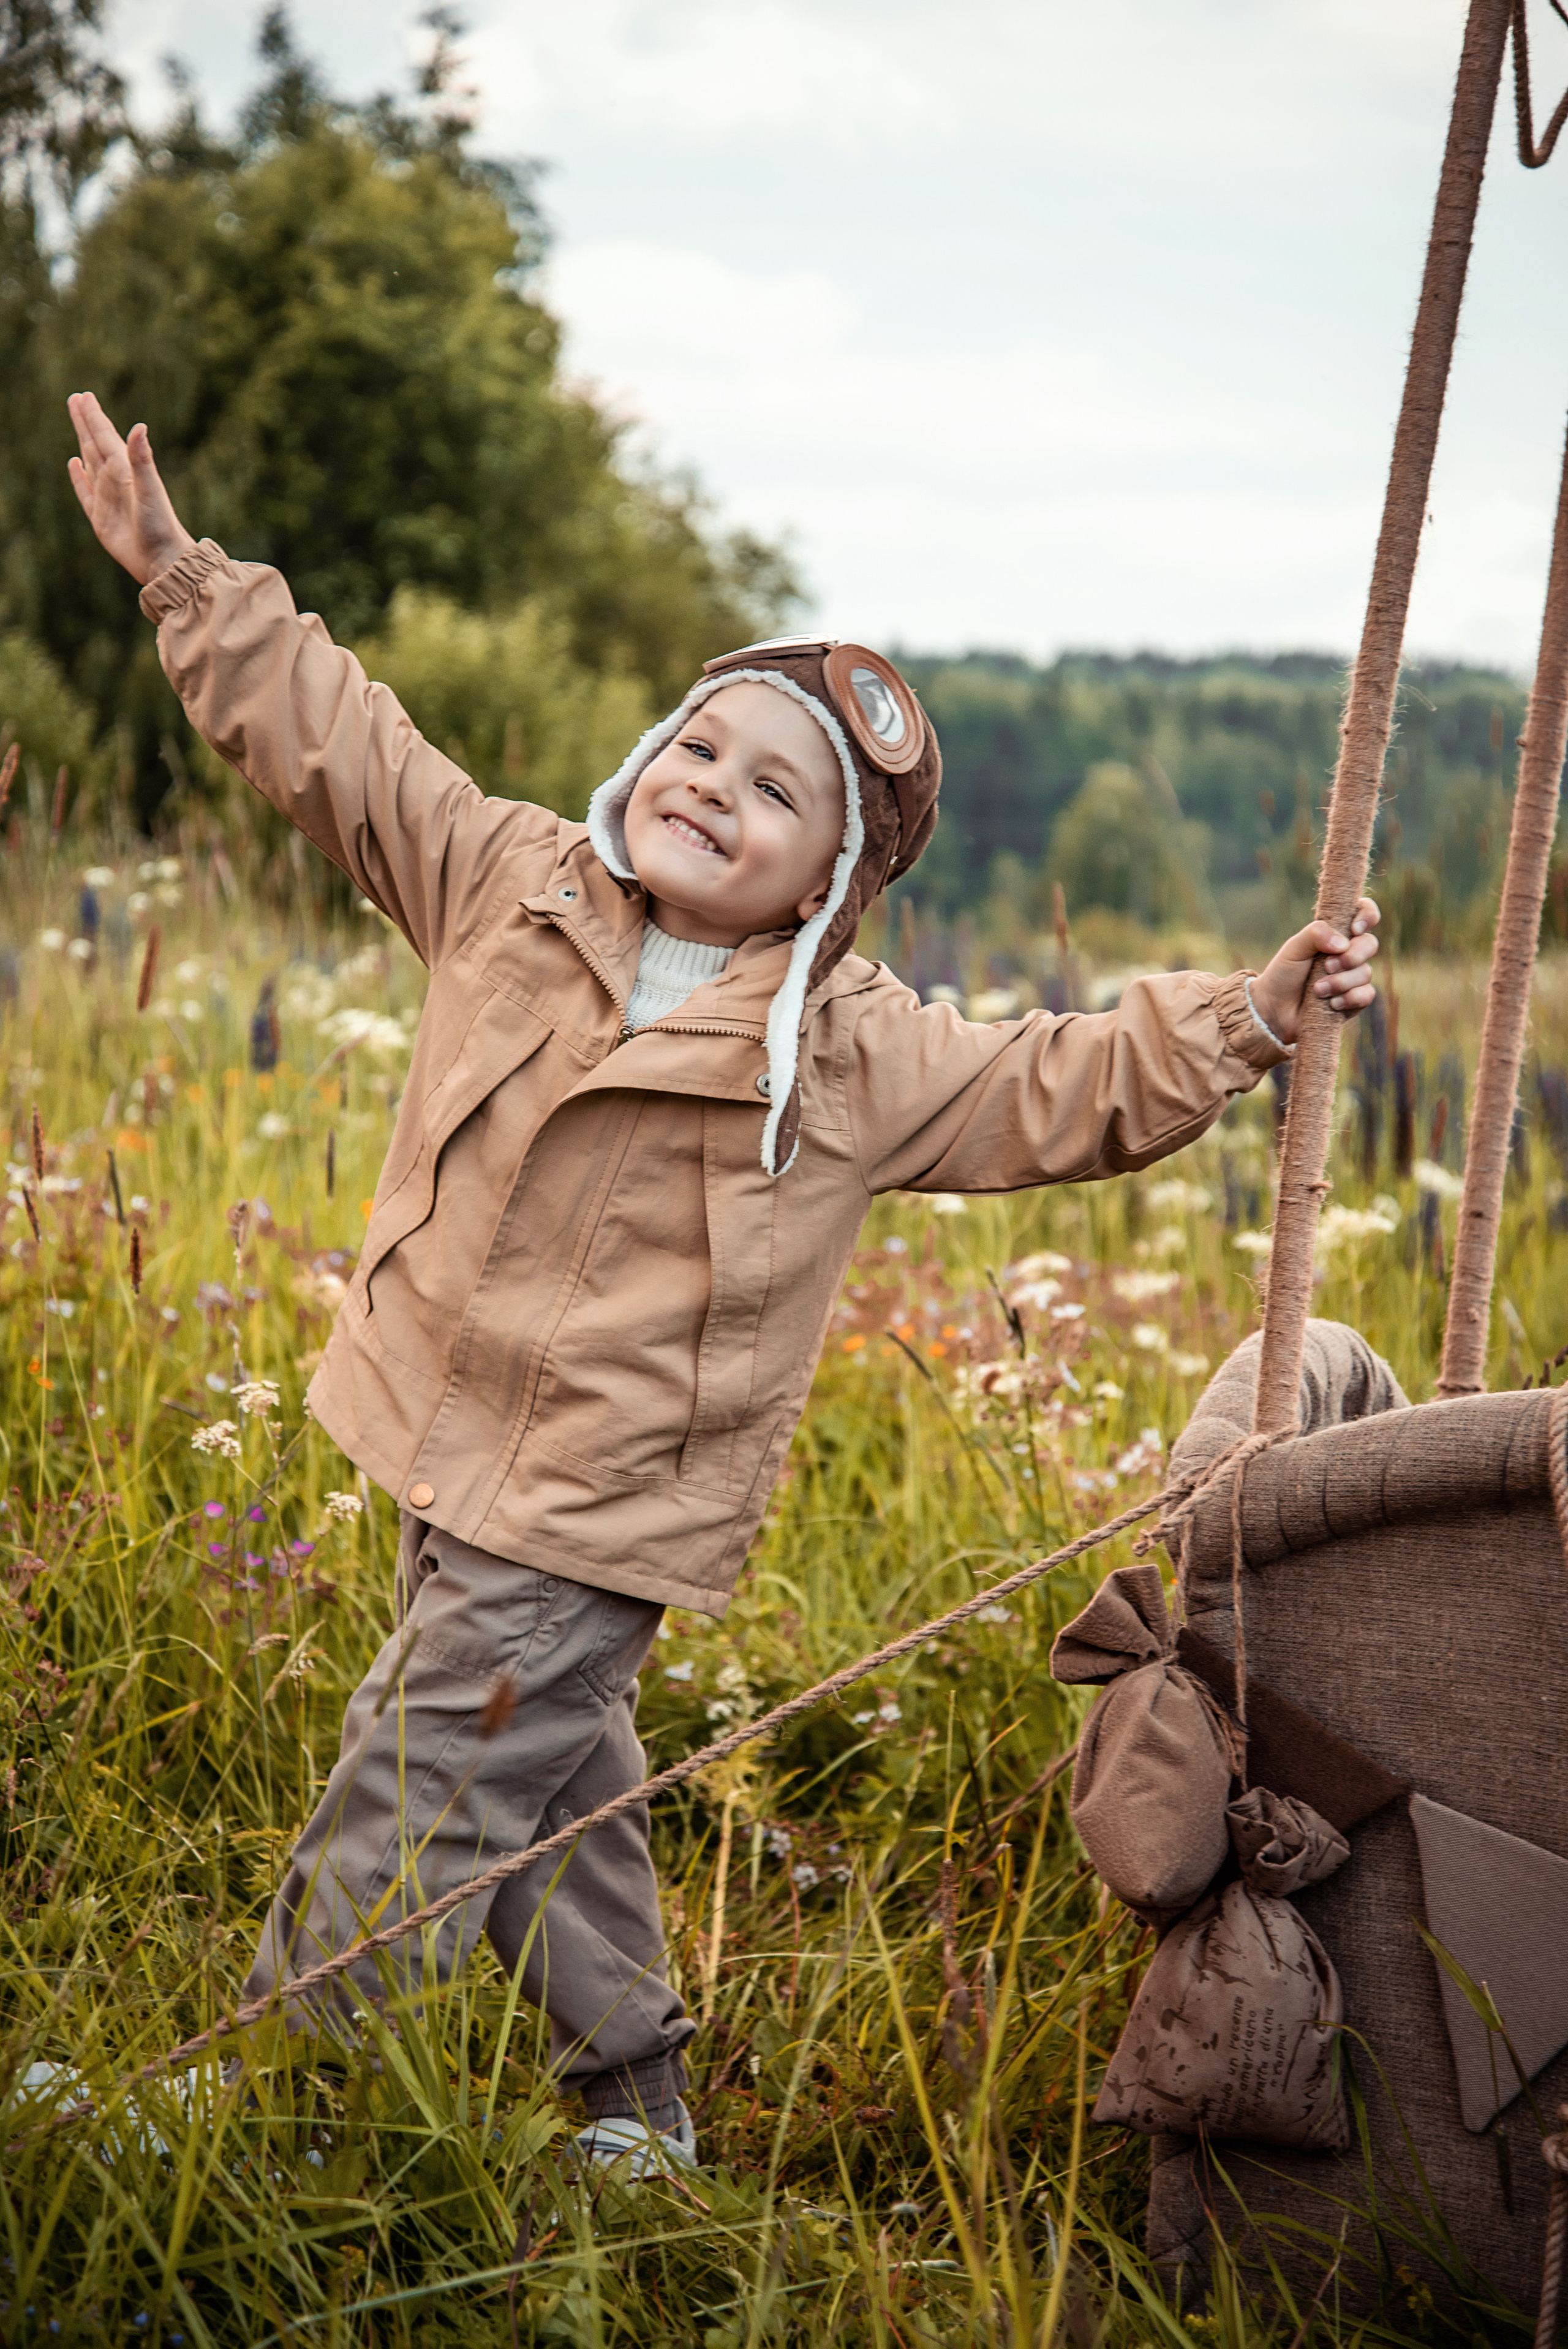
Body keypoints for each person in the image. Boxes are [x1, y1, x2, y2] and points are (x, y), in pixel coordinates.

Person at [64, 391, 1380, 2173]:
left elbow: (1055, 1083)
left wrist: (1245, 1018)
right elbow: (347, 745)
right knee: (558, 1782)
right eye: (700, 746)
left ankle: (252, 2107)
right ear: (645, 757)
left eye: (777, 791)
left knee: (424, 1784)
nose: (712, 789)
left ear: (830, 877)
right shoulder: (508, 881)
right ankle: (638, 2110)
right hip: (451, 1444)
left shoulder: (846, 1050)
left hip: (598, 1508)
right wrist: (182, 579)